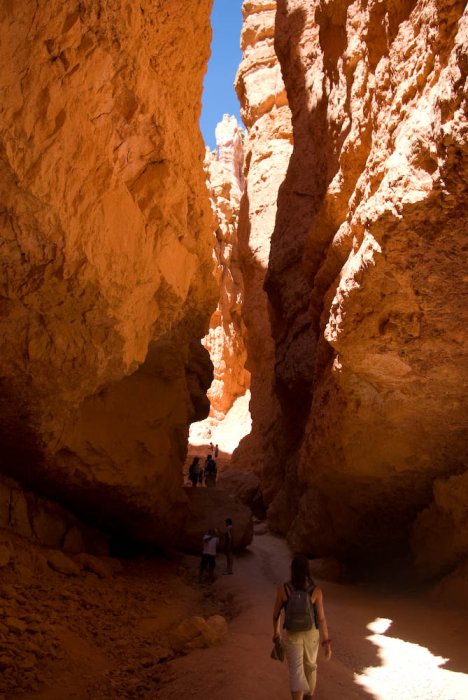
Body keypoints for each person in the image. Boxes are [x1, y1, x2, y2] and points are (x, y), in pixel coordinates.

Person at [272, 555, 331, 699]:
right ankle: (308, 697)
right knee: (310, 667)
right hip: (311, 633)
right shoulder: (316, 590)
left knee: (296, 670)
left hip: (292, 633)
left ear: (292, 569)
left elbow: (275, 615)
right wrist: (327, 642)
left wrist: (276, 633)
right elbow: (321, 618)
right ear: (307, 570)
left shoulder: (283, 589)